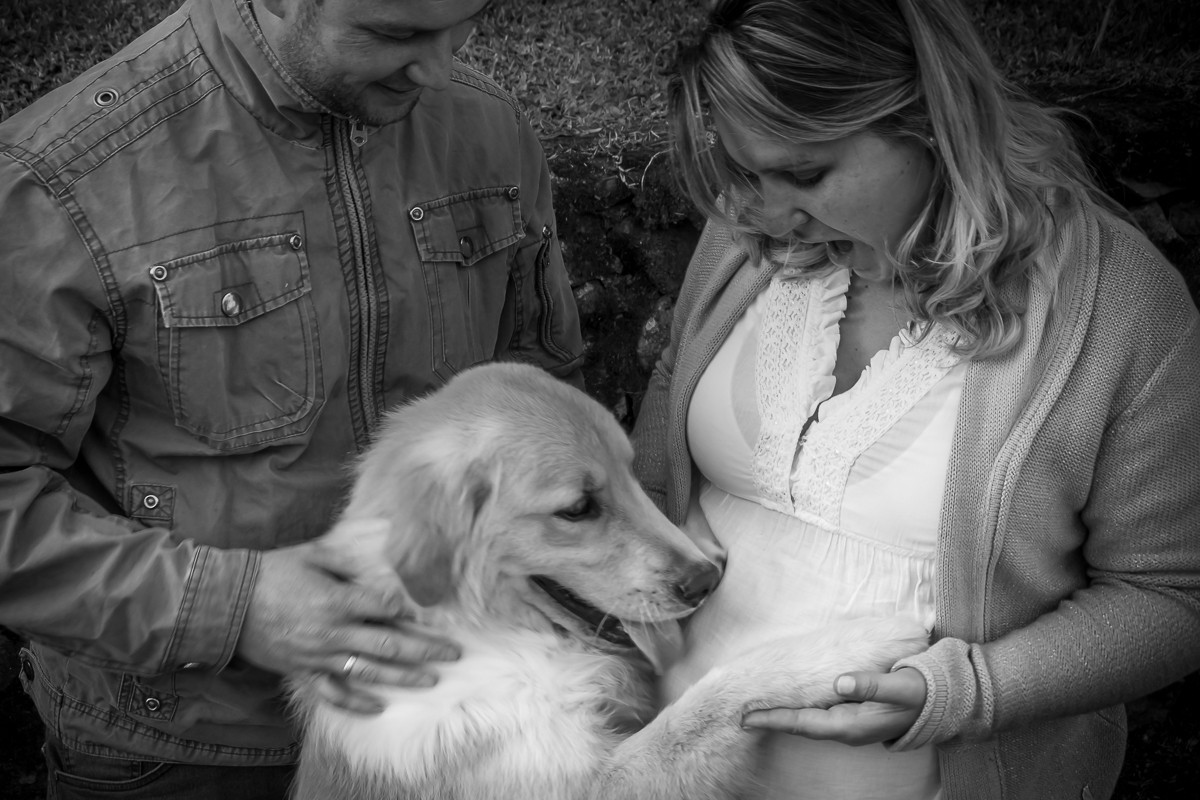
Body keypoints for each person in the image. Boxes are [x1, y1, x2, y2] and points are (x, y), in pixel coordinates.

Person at [0, 0, 583, 796]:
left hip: (463, 728)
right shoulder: (58, 181)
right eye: (396, 33)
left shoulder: (489, 128)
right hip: (182, 754)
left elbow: (542, 384)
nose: (441, 69)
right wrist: (231, 608)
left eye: (468, 23)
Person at [630, 0, 1200, 798]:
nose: (768, 211)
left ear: (930, 122)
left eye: (805, 174)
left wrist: (964, 694)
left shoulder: (1118, 306)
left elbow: (1170, 593)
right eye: (745, 172)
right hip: (653, 759)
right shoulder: (750, 234)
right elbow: (666, 419)